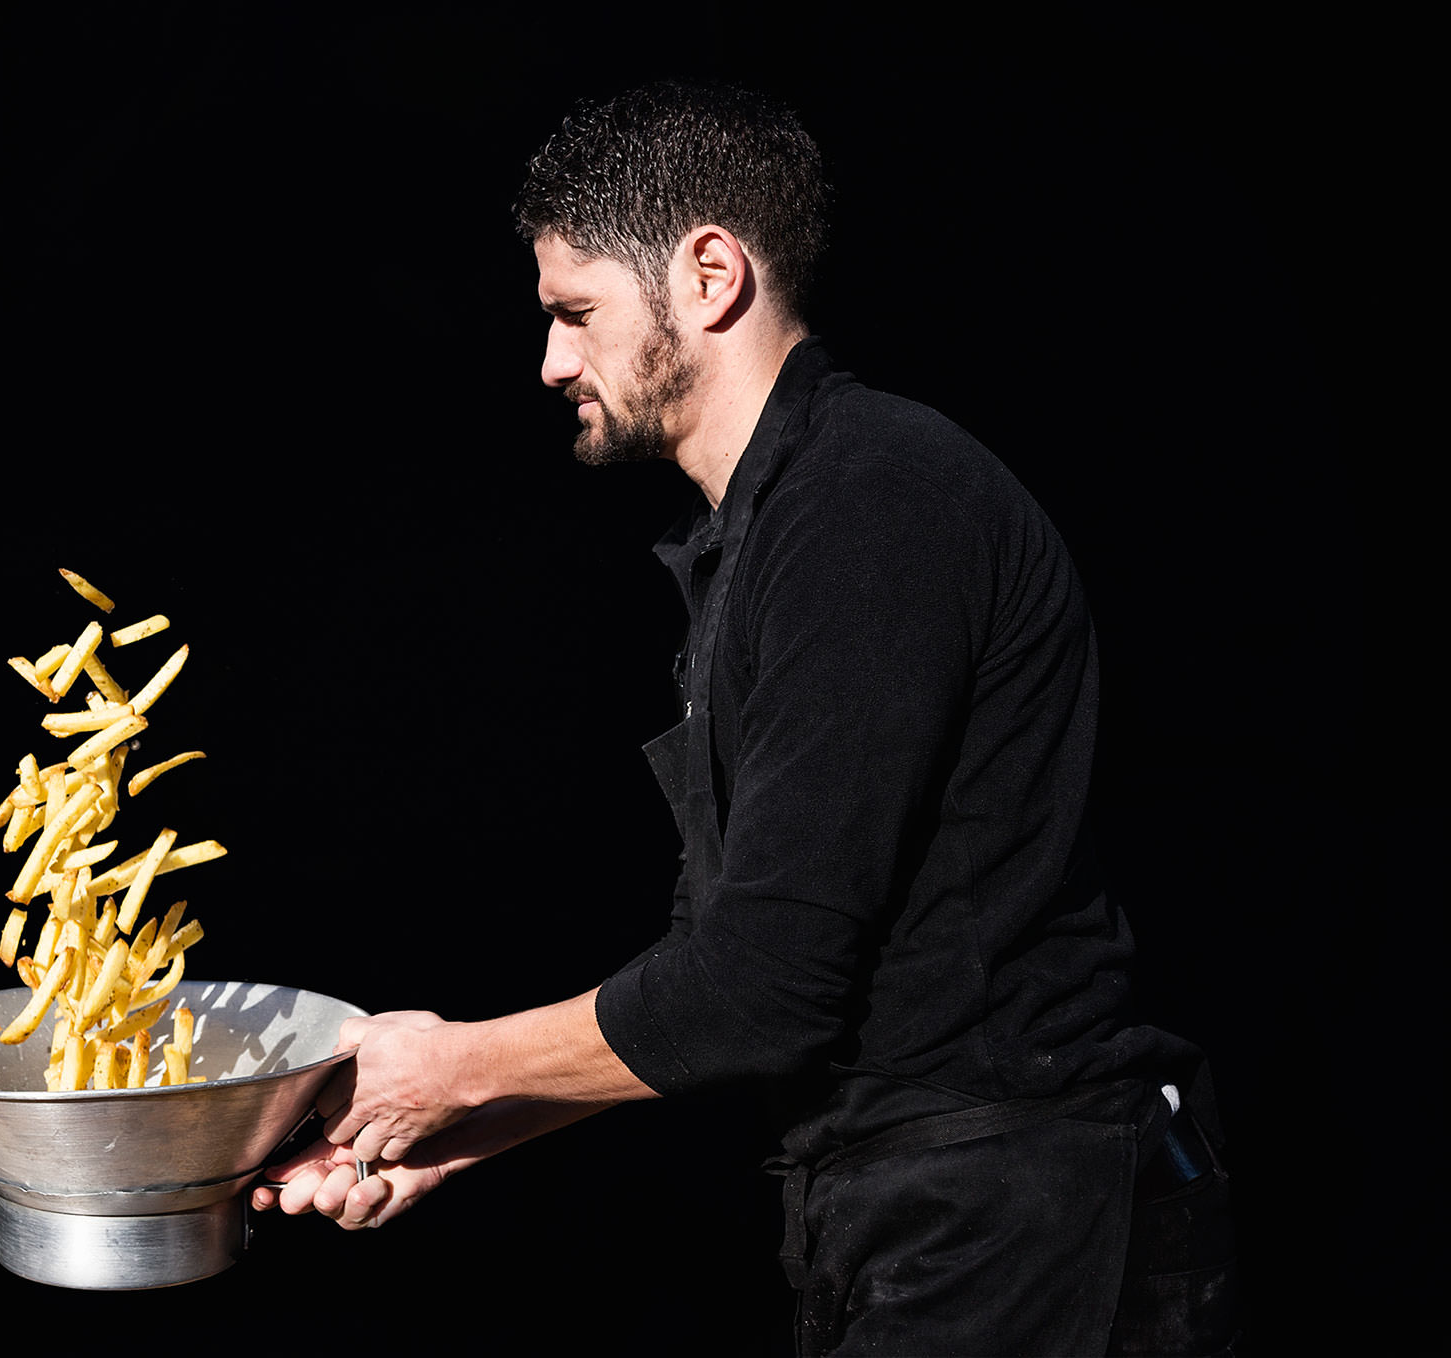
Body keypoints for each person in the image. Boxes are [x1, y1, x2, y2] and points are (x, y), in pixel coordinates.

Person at [253, 81, 1238, 1356]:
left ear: (709, 271)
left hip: (1030, 1205)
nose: (550, 358)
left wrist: (451, 1068)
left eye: (574, 311)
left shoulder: (873, 502)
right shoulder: (760, 540)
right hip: (912, 1213)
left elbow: (763, 986)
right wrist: (451, 1130)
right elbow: (713, 971)